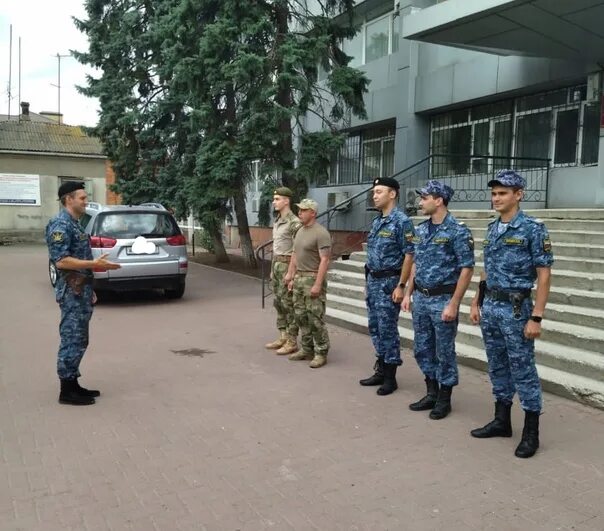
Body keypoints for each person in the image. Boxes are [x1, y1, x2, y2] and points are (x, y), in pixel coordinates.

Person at [469, 169, 553, 458]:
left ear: (518, 194)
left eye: (502, 193)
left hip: (517, 309)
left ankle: (532, 432)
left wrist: (537, 316)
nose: (496, 198)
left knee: (523, 369)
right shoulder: (493, 228)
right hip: (491, 305)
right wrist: (476, 300)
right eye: (493, 193)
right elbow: (486, 268)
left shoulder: (532, 228)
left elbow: (543, 275)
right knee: (497, 364)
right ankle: (502, 420)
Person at [402, 180, 474, 419]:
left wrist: (454, 303)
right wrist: (408, 292)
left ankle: (445, 398)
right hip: (421, 298)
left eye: (424, 198)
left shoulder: (458, 230)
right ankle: (431, 392)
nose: (420, 202)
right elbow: (416, 264)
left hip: (443, 298)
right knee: (422, 348)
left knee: (444, 351)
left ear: (438, 200)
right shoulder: (421, 230)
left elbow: (467, 268)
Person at [46, 181, 120, 405]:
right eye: (82, 198)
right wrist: (94, 263)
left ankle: (74, 384)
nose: (86, 201)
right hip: (71, 291)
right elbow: (61, 261)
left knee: (80, 339)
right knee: (72, 338)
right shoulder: (60, 224)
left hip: (81, 289)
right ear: (68, 199)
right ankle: (66, 391)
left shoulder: (75, 224)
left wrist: (90, 287)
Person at [359, 177, 415, 395]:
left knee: (387, 329)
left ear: (392, 194)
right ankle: (381, 369)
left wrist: (402, 285)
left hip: (390, 282)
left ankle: (391, 377)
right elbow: (371, 256)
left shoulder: (402, 221)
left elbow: (410, 255)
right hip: (374, 281)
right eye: (374, 192)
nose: (374, 195)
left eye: (379, 192)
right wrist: (367, 282)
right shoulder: (377, 222)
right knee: (375, 327)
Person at [284, 198, 331, 369]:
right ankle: (306, 348)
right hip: (299, 279)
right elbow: (295, 255)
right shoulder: (300, 231)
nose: (300, 213)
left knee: (315, 318)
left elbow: (325, 260)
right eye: (299, 210)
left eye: (304, 210)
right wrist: (290, 275)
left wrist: (318, 284)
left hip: (312, 277)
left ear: (313, 212)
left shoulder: (321, 233)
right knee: (300, 316)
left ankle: (321, 352)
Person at [264, 187, 302, 355]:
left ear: (287, 201)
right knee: (279, 303)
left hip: (288, 265)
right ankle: (283, 336)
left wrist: (292, 274)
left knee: (289, 305)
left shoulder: (294, 222)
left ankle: (292, 341)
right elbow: (276, 247)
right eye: (274, 199)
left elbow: (297, 250)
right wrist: (272, 269)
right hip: (278, 265)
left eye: (277, 199)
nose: (274, 202)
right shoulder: (278, 220)